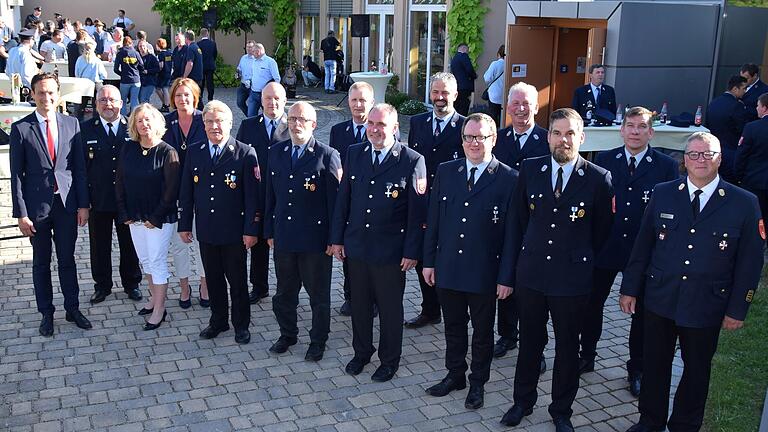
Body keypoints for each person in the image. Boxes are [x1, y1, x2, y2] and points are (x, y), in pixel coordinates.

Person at [620, 132, 764, 432]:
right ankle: (650, 420)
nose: (701, 159)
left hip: (706, 303)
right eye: (694, 154)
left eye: (708, 154)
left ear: (720, 158)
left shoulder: (744, 203)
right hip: (660, 298)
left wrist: (738, 308)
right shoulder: (663, 192)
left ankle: (685, 424)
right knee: (654, 365)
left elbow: (750, 262)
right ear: (684, 160)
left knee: (697, 370)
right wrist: (630, 288)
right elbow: (643, 245)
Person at [497, 108, 614, 432]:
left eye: (570, 134)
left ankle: (561, 410)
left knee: (566, 348)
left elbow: (601, 231)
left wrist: (578, 258)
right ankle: (522, 401)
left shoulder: (597, 178)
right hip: (532, 275)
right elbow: (518, 223)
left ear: (581, 138)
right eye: (557, 133)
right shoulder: (529, 169)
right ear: (548, 137)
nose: (563, 140)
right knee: (530, 344)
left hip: (572, 279)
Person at [580, 106, 680, 398]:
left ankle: (637, 368)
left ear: (651, 132)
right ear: (621, 130)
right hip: (606, 245)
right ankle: (586, 355)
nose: (635, 132)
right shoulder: (605, 159)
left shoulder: (665, 166)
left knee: (643, 312)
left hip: (644, 250)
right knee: (591, 303)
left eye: (642, 127)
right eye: (630, 126)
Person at [422, 113, 518, 410]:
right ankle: (455, 374)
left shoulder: (508, 178)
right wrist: (429, 261)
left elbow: (513, 235)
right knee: (453, 326)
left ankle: (478, 383)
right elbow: (434, 221)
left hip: (484, 272)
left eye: (480, 137)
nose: (473, 143)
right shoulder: (447, 171)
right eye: (468, 137)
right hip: (449, 266)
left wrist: (506, 277)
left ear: (493, 139)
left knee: (482, 332)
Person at [331, 103, 427, 382]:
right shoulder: (354, 153)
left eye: (381, 125)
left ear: (395, 128)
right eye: (371, 123)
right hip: (357, 246)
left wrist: (412, 251)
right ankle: (361, 352)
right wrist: (337, 239)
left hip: (390, 252)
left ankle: (389, 360)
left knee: (390, 309)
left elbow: (416, 214)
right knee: (359, 305)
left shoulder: (411, 160)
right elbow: (343, 200)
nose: (374, 129)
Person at [9, 72, 91, 337]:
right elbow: (16, 176)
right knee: (41, 263)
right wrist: (21, 213)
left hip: (67, 205)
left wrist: (83, 205)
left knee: (67, 260)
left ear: (58, 95)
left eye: (51, 92)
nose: (46, 97)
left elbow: (79, 169)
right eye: (41, 92)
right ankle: (46, 313)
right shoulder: (21, 129)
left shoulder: (72, 124)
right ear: (32, 94)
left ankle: (73, 308)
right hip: (37, 210)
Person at [264, 101, 342, 361]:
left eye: (302, 120)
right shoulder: (276, 152)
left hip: (315, 241)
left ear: (313, 125)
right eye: (293, 119)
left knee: (318, 296)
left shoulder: (327, 155)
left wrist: (334, 239)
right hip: (285, 236)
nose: (297, 124)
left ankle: (318, 340)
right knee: (284, 293)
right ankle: (287, 334)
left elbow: (335, 204)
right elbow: (269, 196)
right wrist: (269, 230)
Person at [178, 100, 260, 344]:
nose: (215, 126)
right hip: (206, 229)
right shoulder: (195, 150)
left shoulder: (245, 153)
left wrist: (251, 230)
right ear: (203, 125)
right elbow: (186, 190)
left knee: (237, 281)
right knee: (212, 279)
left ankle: (241, 325)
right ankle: (218, 320)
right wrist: (184, 224)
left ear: (230, 123)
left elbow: (252, 198)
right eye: (209, 122)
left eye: (220, 121)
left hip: (234, 232)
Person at [491, 82, 550, 360]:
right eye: (515, 103)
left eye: (526, 103)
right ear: (508, 108)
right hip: (501, 223)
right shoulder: (497, 139)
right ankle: (506, 335)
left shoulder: (548, 140)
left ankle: (534, 347)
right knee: (505, 278)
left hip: (535, 224)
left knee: (532, 289)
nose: (521, 108)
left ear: (536, 107)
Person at [406, 72, 466, 329]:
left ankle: (453, 310)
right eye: (435, 93)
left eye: (445, 93)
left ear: (455, 95)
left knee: (449, 257)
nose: (439, 98)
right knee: (423, 256)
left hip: (451, 204)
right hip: (422, 202)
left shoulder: (466, 126)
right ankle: (430, 309)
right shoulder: (418, 122)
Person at [116, 104, 180, 330]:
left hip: (158, 219)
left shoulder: (167, 152)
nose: (144, 124)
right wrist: (124, 212)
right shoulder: (129, 148)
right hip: (134, 217)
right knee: (145, 260)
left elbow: (171, 192)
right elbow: (120, 182)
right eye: (139, 120)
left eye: (148, 119)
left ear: (157, 122)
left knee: (157, 261)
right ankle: (153, 298)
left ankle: (160, 309)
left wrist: (155, 217)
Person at [81, 85, 143, 304]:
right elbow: (81, 169)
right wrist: (83, 202)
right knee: (99, 245)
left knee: (129, 244)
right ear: (96, 104)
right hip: (99, 199)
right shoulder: (85, 129)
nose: (108, 104)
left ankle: (132, 283)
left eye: (112, 100)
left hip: (128, 200)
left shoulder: (133, 128)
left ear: (121, 103)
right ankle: (102, 285)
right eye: (103, 100)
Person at [235, 82, 290, 304]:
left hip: (283, 197)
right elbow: (238, 160)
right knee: (257, 245)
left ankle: (286, 290)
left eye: (277, 98)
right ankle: (259, 287)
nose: (272, 103)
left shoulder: (292, 127)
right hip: (256, 195)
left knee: (281, 247)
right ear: (261, 101)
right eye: (268, 98)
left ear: (285, 101)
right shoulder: (248, 126)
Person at [163, 78, 210, 308]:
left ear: (195, 97)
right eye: (178, 95)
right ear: (173, 98)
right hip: (173, 192)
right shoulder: (165, 122)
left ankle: (204, 284)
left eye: (187, 95)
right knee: (179, 244)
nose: (183, 99)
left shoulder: (205, 120)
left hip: (200, 190)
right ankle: (184, 287)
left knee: (202, 240)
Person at [329, 81, 375, 315]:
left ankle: (374, 300)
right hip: (348, 201)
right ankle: (350, 296)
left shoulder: (380, 128)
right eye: (354, 100)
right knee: (349, 254)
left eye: (363, 100)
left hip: (375, 203)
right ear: (348, 102)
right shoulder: (338, 132)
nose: (358, 105)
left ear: (372, 103)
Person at [734, 92, 768, 246]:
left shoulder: (752, 128)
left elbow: (741, 156)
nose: (756, 109)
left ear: (765, 108)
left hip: (754, 181)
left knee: (753, 218)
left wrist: (739, 176)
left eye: (758, 106)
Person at [705, 75, 749, 184]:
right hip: (731, 151)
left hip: (712, 149)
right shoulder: (737, 106)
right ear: (735, 89)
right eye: (744, 88)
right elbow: (742, 129)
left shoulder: (714, 102)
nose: (745, 91)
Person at [75, 39, 108, 117]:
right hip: (95, 84)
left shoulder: (79, 59)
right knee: (96, 106)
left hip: (83, 83)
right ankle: (96, 122)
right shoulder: (97, 60)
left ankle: (79, 122)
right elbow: (104, 74)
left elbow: (77, 73)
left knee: (81, 105)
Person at [247, 43, 280, 117]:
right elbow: (253, 75)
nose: (252, 54)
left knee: (269, 115)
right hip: (253, 92)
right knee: (250, 116)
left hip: (265, 94)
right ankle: (253, 128)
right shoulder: (253, 61)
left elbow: (277, 78)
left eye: (253, 52)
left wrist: (273, 92)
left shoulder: (270, 62)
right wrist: (249, 81)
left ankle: (268, 128)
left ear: (258, 51)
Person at [113, 35, 144, 116]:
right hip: (136, 79)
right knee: (134, 100)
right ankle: (134, 118)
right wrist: (137, 72)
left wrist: (122, 74)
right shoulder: (136, 53)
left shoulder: (120, 53)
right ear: (131, 43)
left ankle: (123, 118)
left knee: (122, 100)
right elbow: (142, 65)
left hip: (125, 80)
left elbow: (115, 69)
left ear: (123, 43)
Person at [450, 43, 477, 116]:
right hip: (465, 86)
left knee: (457, 105)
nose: (468, 52)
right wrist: (474, 76)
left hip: (457, 85)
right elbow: (469, 69)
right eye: (467, 50)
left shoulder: (454, 58)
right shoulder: (464, 56)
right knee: (464, 106)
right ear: (464, 49)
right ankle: (462, 122)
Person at [482, 45, 505, 125]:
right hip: (505, 94)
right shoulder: (510, 63)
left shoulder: (495, 64)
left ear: (499, 54)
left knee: (493, 117)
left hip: (494, 94)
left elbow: (487, 78)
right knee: (504, 116)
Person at [182, 30, 204, 108]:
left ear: (187, 38)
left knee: (194, 98)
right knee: (198, 97)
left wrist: (184, 77)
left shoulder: (190, 48)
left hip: (193, 78)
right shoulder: (197, 47)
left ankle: (200, 115)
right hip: (199, 76)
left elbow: (190, 63)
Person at [236, 40, 257, 116]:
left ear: (254, 48)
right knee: (240, 103)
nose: (248, 49)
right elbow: (239, 69)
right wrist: (237, 74)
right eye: (247, 47)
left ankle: (252, 118)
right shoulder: (243, 58)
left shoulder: (257, 59)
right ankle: (251, 118)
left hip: (253, 86)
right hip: (243, 84)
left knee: (254, 105)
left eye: (250, 47)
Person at [197, 28, 218, 102]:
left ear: (201, 34)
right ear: (207, 33)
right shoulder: (212, 43)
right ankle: (210, 98)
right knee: (210, 83)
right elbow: (215, 54)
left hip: (201, 66)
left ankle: (200, 98)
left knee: (201, 83)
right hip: (210, 65)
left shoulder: (198, 44)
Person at [155, 38, 173, 112]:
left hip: (162, 74)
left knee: (158, 89)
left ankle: (166, 104)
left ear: (159, 45)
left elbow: (161, 65)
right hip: (168, 72)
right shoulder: (169, 53)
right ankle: (166, 104)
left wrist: (156, 71)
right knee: (165, 88)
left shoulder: (161, 54)